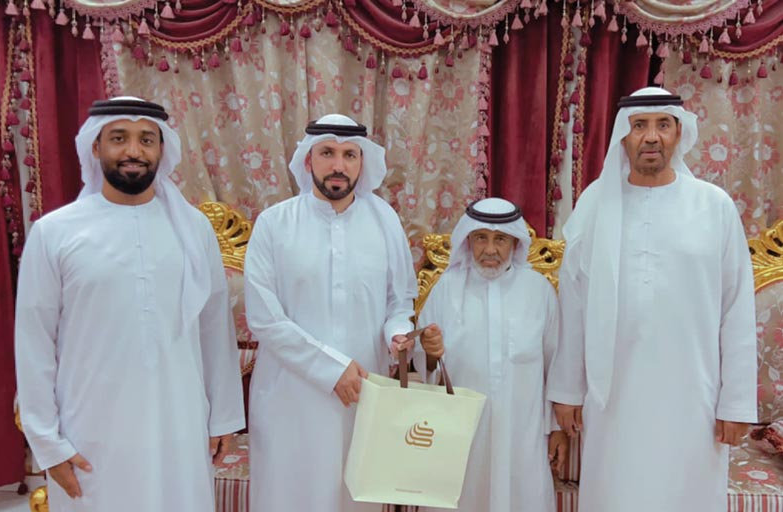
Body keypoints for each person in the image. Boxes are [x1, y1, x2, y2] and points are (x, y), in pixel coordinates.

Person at [14, 97, 245, 511]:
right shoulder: (54, 232)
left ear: (162, 149)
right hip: (89, 431)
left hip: (179, 423)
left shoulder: (193, 229)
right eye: (119, 138)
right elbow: (34, 344)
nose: (133, 151)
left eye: (146, 140)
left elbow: (214, 328)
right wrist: (48, 444)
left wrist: (224, 415)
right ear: (95, 146)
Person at [547, 87, 757, 512]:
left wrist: (736, 403)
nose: (651, 136)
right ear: (623, 137)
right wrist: (567, 390)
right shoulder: (596, 204)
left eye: (663, 125)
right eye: (639, 125)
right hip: (612, 397)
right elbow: (573, 304)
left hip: (692, 396)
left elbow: (737, 309)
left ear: (680, 133)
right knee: (616, 494)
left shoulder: (713, 206)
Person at [243, 114, 419, 512]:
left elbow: (399, 301)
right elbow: (265, 318)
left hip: (363, 391)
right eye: (327, 153)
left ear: (362, 162)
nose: (338, 165)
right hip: (291, 397)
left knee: (354, 497)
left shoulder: (385, 222)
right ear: (308, 160)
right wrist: (331, 370)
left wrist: (397, 334)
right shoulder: (274, 223)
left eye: (349, 155)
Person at [417, 197, 566, 512]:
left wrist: (556, 429)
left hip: (522, 430)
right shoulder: (446, 289)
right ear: (468, 240)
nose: (489, 249)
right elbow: (424, 362)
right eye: (480, 238)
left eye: (500, 239)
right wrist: (429, 352)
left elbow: (556, 365)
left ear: (515, 243)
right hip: (461, 432)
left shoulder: (539, 291)